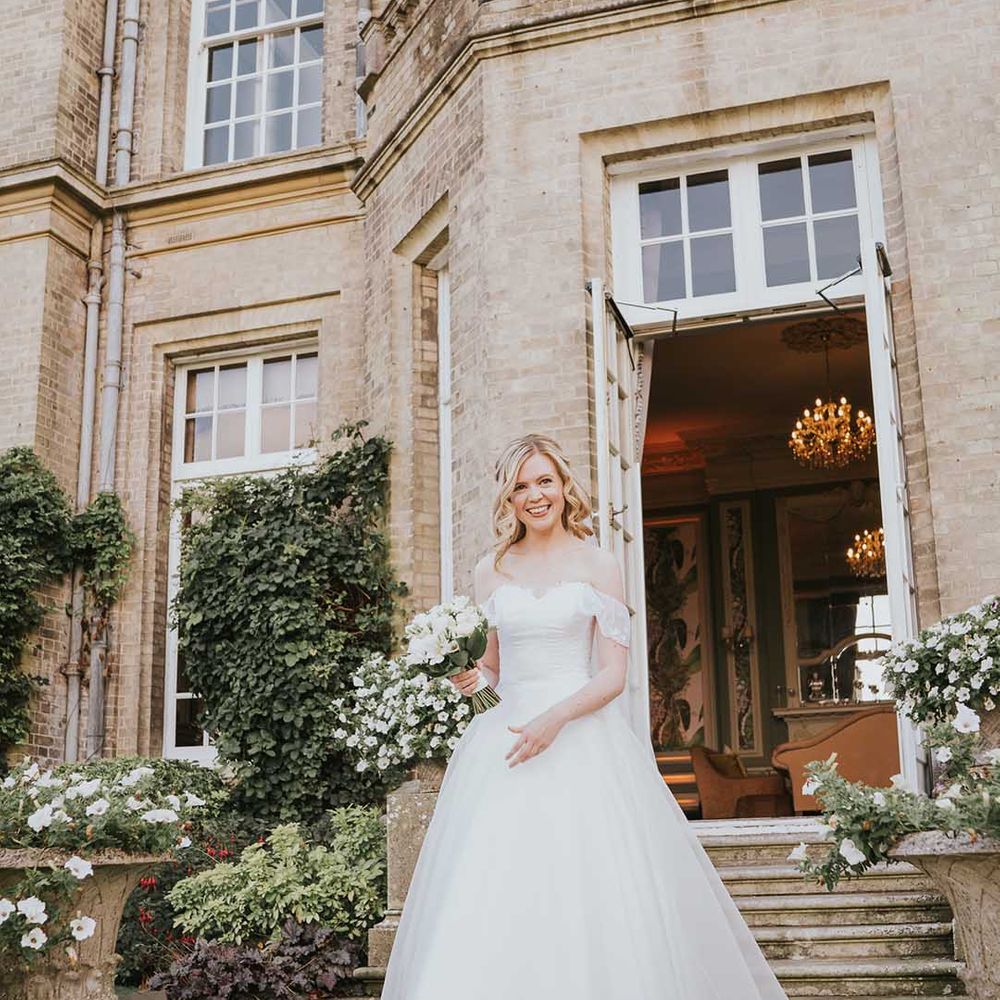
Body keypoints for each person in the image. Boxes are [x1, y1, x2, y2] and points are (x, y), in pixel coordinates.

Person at [379, 433, 787, 1000]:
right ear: (508, 500)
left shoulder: (599, 563)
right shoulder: (489, 570)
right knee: (496, 884)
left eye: (544, 480)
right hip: (505, 744)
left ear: (563, 485)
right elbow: (493, 669)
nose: (535, 495)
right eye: (521, 487)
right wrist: (472, 681)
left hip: (581, 739)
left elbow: (613, 675)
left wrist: (554, 719)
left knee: (591, 885)